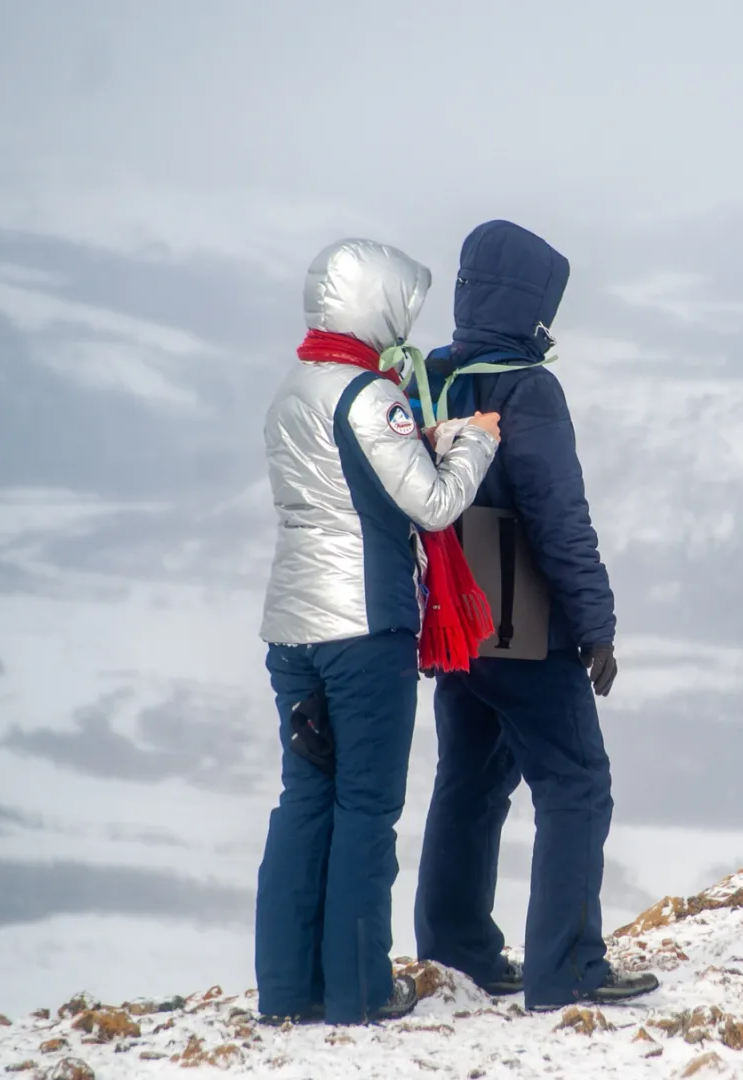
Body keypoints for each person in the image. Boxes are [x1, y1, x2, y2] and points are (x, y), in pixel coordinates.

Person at [256, 238, 502, 1024]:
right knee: (367, 807)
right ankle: (361, 990)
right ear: (374, 306)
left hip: (292, 628)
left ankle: (291, 989)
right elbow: (432, 504)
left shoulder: (293, 390)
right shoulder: (371, 397)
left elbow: (342, 488)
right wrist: (475, 442)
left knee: (305, 799)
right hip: (364, 628)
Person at [412, 220, 656, 1010]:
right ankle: (567, 967)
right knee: (577, 780)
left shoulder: (437, 377)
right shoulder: (527, 388)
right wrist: (597, 624)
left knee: (469, 786)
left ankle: (456, 953)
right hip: (524, 627)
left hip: (453, 619)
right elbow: (558, 516)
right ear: (527, 303)